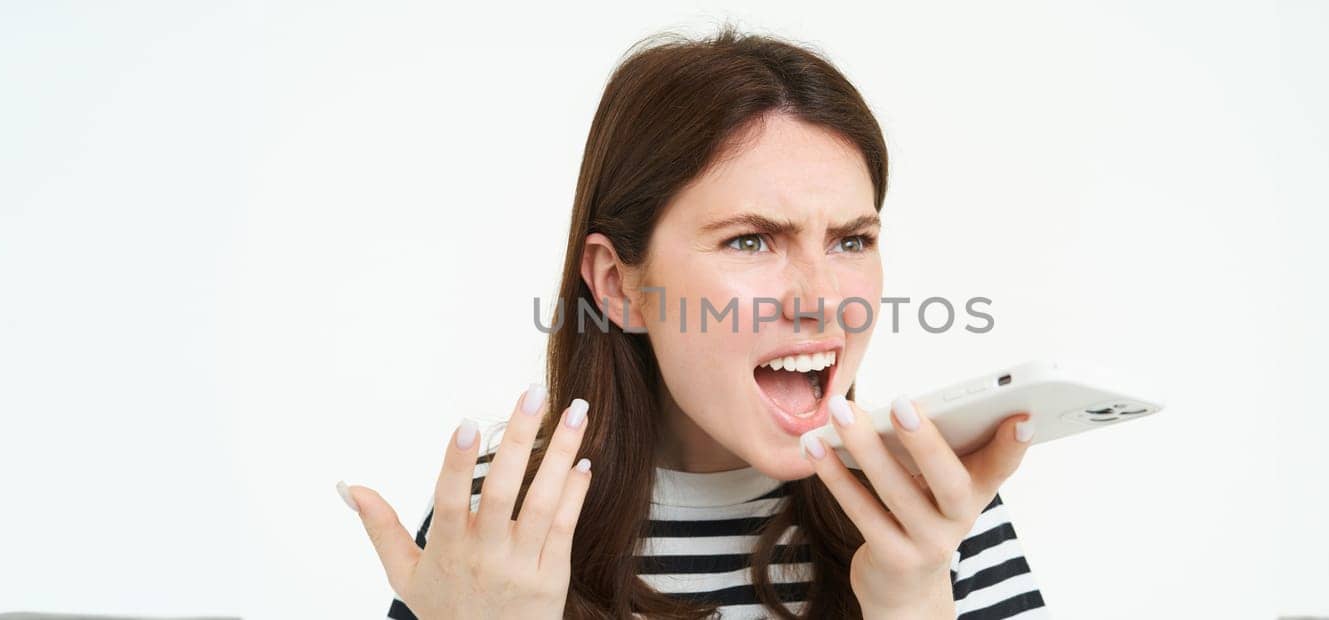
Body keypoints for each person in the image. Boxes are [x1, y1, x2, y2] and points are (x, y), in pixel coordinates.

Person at [337, 25, 1048, 619]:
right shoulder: (499, 524)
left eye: (851, 240)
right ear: (619, 286)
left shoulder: (931, 513)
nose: (822, 299)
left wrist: (913, 603)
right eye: (751, 240)